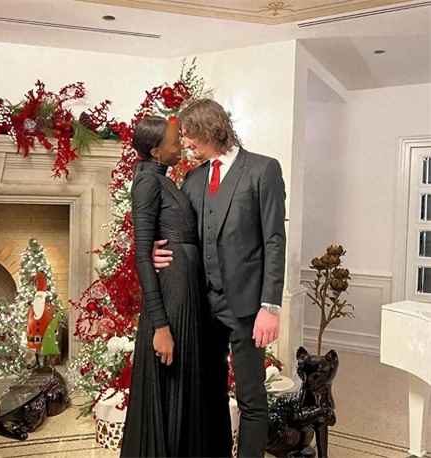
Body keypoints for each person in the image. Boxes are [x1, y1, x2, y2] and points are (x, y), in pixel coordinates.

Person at [153, 99, 286, 458]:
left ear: (208, 129)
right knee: (209, 393)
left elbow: (274, 241)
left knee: (251, 398)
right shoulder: (193, 178)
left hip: (247, 307)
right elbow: (181, 235)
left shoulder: (262, 170)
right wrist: (156, 251)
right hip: (202, 306)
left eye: (188, 135)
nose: (185, 144)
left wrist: (270, 306)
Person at [120, 116, 206, 457]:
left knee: (180, 385)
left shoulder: (162, 179)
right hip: (170, 298)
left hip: (183, 291)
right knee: (170, 384)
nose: (180, 145)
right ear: (155, 151)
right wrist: (160, 327)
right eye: (174, 141)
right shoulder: (147, 182)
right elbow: (142, 255)